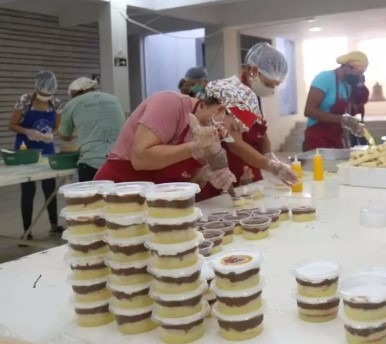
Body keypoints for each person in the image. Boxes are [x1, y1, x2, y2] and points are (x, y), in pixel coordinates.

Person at [199, 43, 297, 199]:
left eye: (275, 86)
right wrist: (270, 166)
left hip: (252, 171)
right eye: (268, 84)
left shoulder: (251, 94)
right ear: (252, 71)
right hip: (228, 173)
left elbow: (260, 132)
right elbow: (235, 144)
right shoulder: (228, 92)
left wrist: (270, 156)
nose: (271, 90)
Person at [94, 91, 235, 196]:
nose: (228, 134)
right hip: (120, 192)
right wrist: (194, 148)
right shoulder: (170, 103)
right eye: (233, 128)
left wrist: (203, 175)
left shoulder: (209, 133)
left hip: (157, 204)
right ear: (220, 110)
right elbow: (140, 159)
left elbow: (180, 179)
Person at [8, 70, 63, 240]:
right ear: (36, 88)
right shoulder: (25, 100)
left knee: (50, 188)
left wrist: (51, 135)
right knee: (28, 190)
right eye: (42, 93)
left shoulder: (56, 103)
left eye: (49, 93)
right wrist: (27, 131)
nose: (46, 96)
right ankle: (27, 231)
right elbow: (12, 124)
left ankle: (54, 225)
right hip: (26, 151)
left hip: (47, 150)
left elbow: (58, 128)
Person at [58, 77, 125, 182]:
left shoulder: (72, 104)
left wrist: (74, 134)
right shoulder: (114, 99)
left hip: (91, 162)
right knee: (117, 197)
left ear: (73, 93)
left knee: (92, 198)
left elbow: (64, 135)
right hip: (121, 160)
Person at [304, 51, 368, 151]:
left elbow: (347, 110)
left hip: (336, 137)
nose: (358, 77)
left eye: (361, 74)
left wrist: (352, 126)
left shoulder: (347, 85)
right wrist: (342, 120)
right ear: (347, 67)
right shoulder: (324, 78)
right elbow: (309, 110)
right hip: (318, 136)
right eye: (357, 73)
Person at [349, 74, 369, 146]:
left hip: (359, 113)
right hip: (351, 114)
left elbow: (364, 101)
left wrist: (357, 106)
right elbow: (349, 98)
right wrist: (352, 104)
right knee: (351, 130)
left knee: (360, 128)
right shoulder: (352, 88)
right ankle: (353, 145)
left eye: (363, 79)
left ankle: (364, 144)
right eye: (361, 79)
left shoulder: (365, 90)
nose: (362, 80)